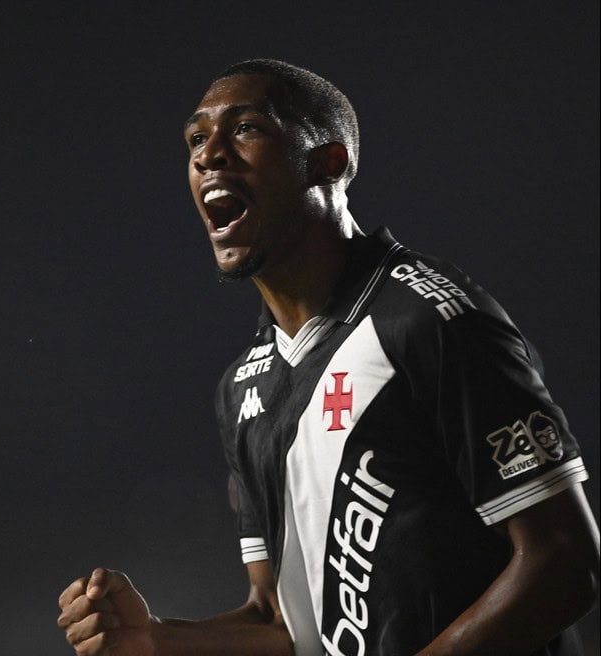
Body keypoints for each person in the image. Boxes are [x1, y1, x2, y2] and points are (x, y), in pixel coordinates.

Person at [56, 59, 599, 655]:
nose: (209, 154)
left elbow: (565, 564)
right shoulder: (243, 388)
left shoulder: (431, 319)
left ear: (328, 163)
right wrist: (157, 640)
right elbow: (282, 623)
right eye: (195, 138)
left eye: (246, 128)